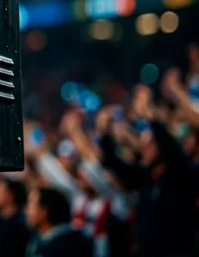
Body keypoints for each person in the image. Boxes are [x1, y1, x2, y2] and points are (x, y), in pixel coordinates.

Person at [98, 86, 194, 256]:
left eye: (149, 144)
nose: (144, 147)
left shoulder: (179, 174)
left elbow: (172, 149)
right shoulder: (146, 177)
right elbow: (116, 167)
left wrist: (151, 116)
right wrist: (105, 135)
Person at [24, 187, 92, 257]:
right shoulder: (39, 239)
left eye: (30, 204)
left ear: (44, 211)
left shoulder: (67, 246)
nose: (26, 211)